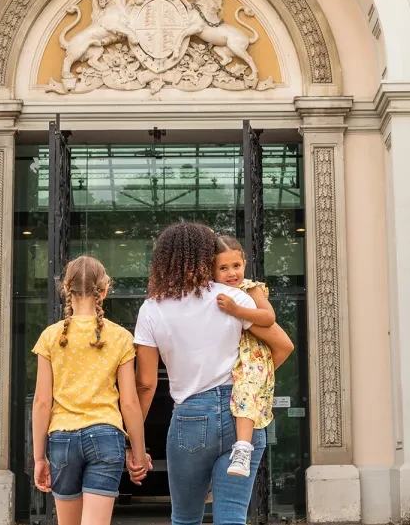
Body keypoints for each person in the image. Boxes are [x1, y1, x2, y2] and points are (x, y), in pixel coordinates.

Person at [132, 222, 294, 525]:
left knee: (185, 518)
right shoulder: (234, 300)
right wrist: (253, 380)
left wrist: (133, 439)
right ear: (207, 257)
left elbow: (146, 383)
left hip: (191, 416)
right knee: (232, 518)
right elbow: (283, 346)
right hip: (240, 413)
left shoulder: (152, 309)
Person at [32, 256, 149, 525]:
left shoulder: (50, 337)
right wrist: (139, 454)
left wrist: (39, 457)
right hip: (106, 435)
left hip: (62, 438)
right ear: (104, 291)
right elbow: (130, 403)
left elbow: (41, 402)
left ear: (66, 289)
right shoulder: (119, 337)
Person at [211, 234, 276, 477]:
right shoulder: (214, 293)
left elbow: (268, 318)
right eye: (223, 268)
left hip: (253, 353)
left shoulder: (251, 289)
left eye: (236, 266)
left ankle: (243, 449)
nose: (231, 274)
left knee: (246, 392)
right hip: (235, 353)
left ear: (245, 264)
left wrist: (237, 310)